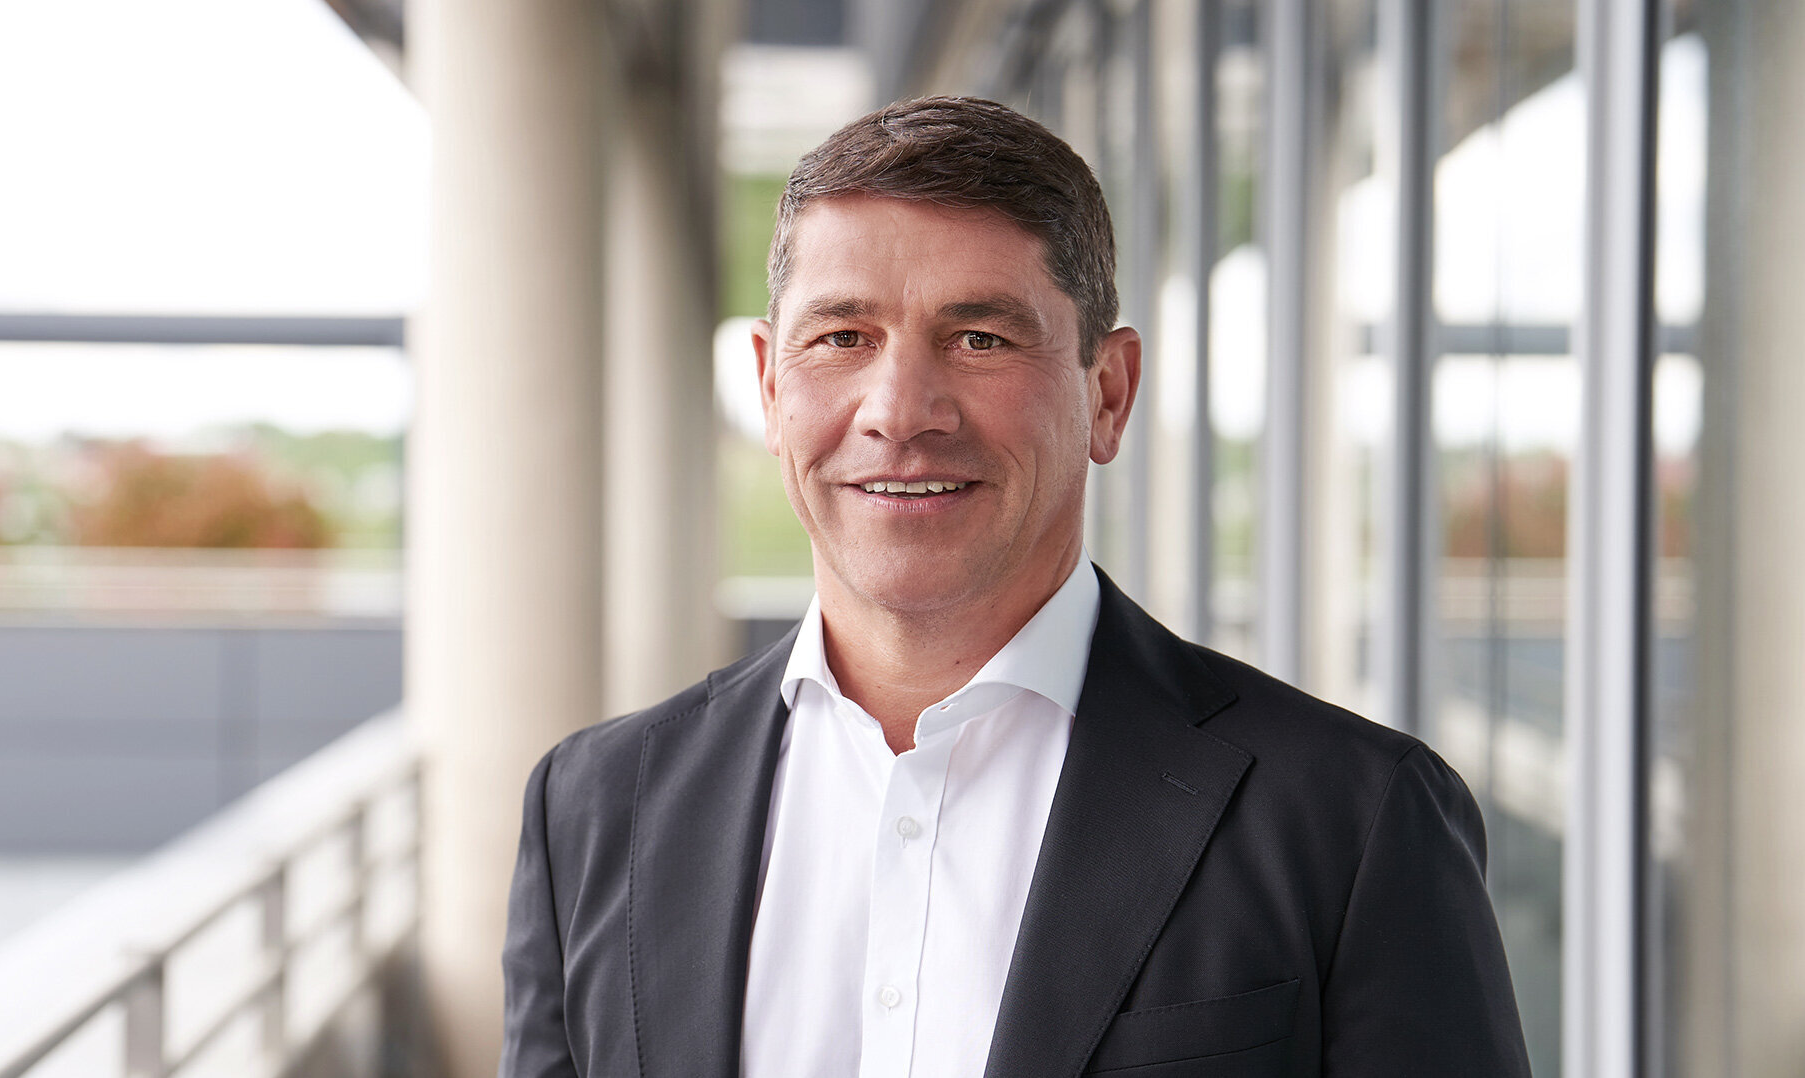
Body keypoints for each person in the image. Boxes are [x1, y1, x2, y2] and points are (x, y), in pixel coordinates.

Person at [500, 96, 1531, 1078]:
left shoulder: (1349, 822)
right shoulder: (592, 810)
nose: (901, 411)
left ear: (1107, 393)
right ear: (771, 389)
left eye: (979, 338)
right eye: (842, 337)